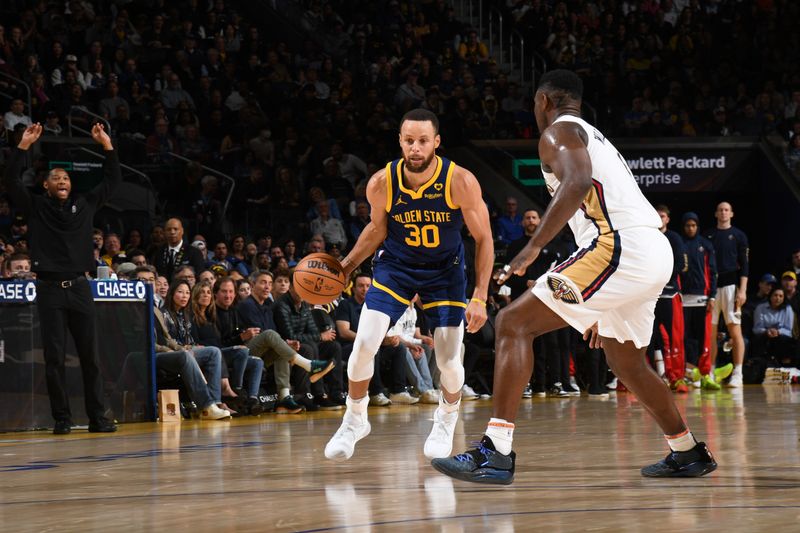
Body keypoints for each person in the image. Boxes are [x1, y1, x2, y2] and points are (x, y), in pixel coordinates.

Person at [433, 70, 716, 484]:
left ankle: (495, 451)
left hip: (619, 247)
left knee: (513, 323)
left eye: (534, 104)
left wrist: (532, 249)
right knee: (626, 361)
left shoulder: (557, 133)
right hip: (650, 250)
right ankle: (687, 450)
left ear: (544, 100)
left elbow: (578, 181)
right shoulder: (592, 134)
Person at [324, 108, 493, 461]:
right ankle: (355, 418)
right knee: (363, 345)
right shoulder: (382, 182)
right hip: (397, 267)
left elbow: (484, 237)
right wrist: (346, 268)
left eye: (422, 141)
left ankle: (447, 416)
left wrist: (479, 295)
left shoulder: (460, 180)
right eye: (408, 141)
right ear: (400, 141)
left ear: (436, 143)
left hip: (445, 271)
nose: (415, 148)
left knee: (448, 361)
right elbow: (376, 230)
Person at [3, 123, 118, 435]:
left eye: (66, 177)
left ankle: (98, 418)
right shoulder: (36, 206)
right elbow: (10, 180)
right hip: (49, 290)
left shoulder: (86, 204)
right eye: (56, 178)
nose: (62, 180)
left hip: (80, 287)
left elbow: (112, 178)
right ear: (46, 186)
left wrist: (106, 144)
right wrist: (23, 146)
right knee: (54, 360)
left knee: (90, 358)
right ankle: (62, 419)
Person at [680, 212, 730, 390]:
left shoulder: (705, 245)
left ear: (697, 226)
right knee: (684, 339)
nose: (690, 228)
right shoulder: (680, 244)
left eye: (693, 225)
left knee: (704, 339)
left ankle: (705, 374)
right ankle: (685, 374)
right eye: (687, 225)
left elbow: (713, 272)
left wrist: (712, 296)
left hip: (703, 299)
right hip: (683, 300)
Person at [705, 202, 749, 388]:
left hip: (732, 287)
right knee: (711, 333)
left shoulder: (739, 236)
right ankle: (711, 371)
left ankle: (738, 373)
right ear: (716, 213)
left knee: (735, 331)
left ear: (731, 213)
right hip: (713, 289)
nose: (723, 212)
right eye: (720, 210)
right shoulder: (708, 236)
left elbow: (745, 264)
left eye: (726, 210)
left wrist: (743, 289)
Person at [651, 205, 688, 392]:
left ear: (667, 219)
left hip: (670, 293)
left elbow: (681, 264)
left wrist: (663, 277)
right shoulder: (648, 237)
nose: (659, 218)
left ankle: (677, 377)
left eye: (662, 216)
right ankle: (659, 376)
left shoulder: (674, 238)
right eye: (656, 215)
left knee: (673, 337)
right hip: (651, 295)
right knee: (652, 337)